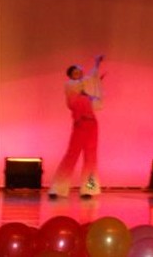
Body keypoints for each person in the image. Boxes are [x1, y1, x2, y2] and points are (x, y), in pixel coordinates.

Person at [48, 55, 105, 199]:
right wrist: (93, 80)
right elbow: (87, 82)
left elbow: (95, 98)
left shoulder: (85, 94)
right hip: (80, 124)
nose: (79, 74)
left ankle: (89, 190)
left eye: (80, 72)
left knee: (90, 158)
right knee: (71, 155)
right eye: (76, 72)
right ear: (70, 75)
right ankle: (57, 189)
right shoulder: (69, 86)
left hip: (92, 125)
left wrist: (96, 69)